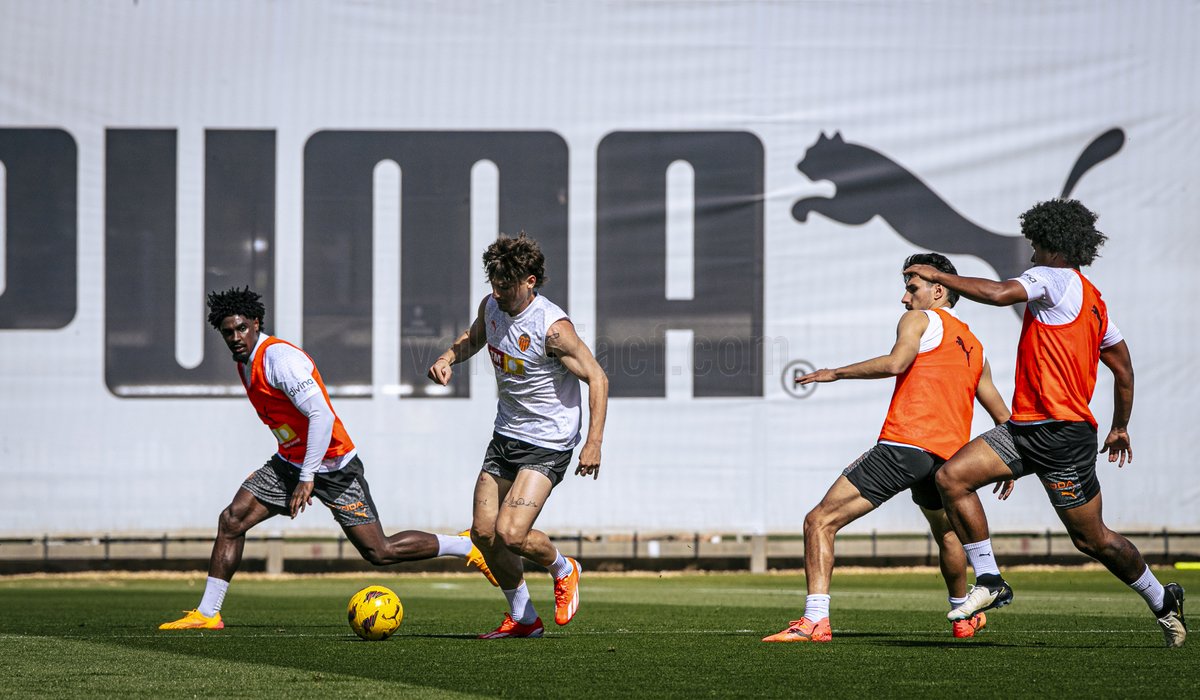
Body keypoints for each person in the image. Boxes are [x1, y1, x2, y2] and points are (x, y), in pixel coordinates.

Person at [904, 199, 1186, 648]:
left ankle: (1161, 598)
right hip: (1025, 429)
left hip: (1063, 435)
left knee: (1093, 541)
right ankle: (991, 580)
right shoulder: (1095, 302)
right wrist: (1121, 425)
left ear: (1051, 243)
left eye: (1034, 242)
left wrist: (939, 276)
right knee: (951, 477)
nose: (1030, 251)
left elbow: (998, 295)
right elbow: (1125, 371)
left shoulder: (1052, 278)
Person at [159, 287, 496, 630]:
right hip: (290, 463)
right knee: (231, 520)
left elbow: (321, 415)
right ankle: (208, 613)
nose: (235, 337)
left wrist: (308, 477)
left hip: (334, 466)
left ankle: (465, 544)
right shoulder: (244, 364)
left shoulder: (280, 360)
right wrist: (296, 470)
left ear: (256, 323)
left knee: (379, 552)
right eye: (228, 332)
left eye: (241, 328)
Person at [763, 253, 1012, 643]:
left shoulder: (921, 319)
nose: (904, 298)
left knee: (819, 521)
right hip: (948, 460)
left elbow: (897, 363)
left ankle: (814, 619)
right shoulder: (975, 347)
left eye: (912, 288)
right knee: (947, 536)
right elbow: (1001, 413)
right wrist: (1005, 464)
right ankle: (963, 615)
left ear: (938, 290)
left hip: (905, 446)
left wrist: (835, 372)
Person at [428, 232, 608, 638]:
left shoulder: (552, 328)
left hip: (549, 440)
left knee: (511, 533)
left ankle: (565, 568)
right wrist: (447, 357)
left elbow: (597, 377)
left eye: (507, 285)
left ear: (530, 281)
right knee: (484, 532)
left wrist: (593, 441)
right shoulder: (491, 306)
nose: (499, 291)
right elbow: (475, 336)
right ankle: (525, 618)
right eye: (494, 283)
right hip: (506, 433)